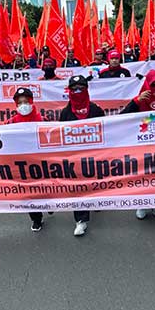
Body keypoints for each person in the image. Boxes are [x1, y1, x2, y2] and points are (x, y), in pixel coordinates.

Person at [119, 69, 155, 220]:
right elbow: (122, 117)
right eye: (153, 84)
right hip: (142, 143)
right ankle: (142, 203)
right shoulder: (139, 98)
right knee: (143, 175)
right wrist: (136, 101)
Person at [58, 75, 105, 236]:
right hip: (75, 158)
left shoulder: (96, 110)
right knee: (79, 188)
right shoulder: (65, 113)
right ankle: (81, 220)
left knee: (94, 184)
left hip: (94, 156)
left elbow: (106, 130)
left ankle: (95, 201)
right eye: (74, 89)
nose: (77, 92)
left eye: (81, 89)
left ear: (86, 90)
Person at [3, 87, 47, 232]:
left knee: (45, 188)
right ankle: (36, 219)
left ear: (31, 102)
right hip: (22, 163)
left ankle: (49, 204)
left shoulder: (43, 120)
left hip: (41, 162)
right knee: (29, 193)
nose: (23, 105)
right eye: (20, 103)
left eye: (26, 102)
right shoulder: (11, 123)